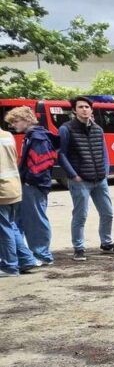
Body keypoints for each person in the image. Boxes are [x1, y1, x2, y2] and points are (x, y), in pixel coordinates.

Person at [58, 96, 114, 261]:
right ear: (74, 110)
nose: (84, 109)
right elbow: (61, 154)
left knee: (108, 213)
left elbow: (104, 152)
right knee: (80, 215)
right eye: (80, 107)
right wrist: (73, 175)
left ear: (91, 110)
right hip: (80, 180)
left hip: (100, 179)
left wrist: (106, 171)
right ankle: (79, 248)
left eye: (87, 107)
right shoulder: (66, 129)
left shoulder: (98, 129)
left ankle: (107, 243)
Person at [4, 106, 56, 266]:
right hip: (34, 183)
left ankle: (42, 254)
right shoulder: (35, 136)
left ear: (26, 119)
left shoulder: (37, 137)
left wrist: (29, 179)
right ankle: (32, 255)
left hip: (34, 185)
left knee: (35, 220)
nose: (13, 125)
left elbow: (41, 163)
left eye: (15, 121)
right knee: (28, 220)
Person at [0, 129, 40, 277]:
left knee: (4, 230)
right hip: (14, 187)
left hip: (2, 190)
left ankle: (9, 266)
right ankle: (26, 259)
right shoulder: (7, 135)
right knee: (11, 226)